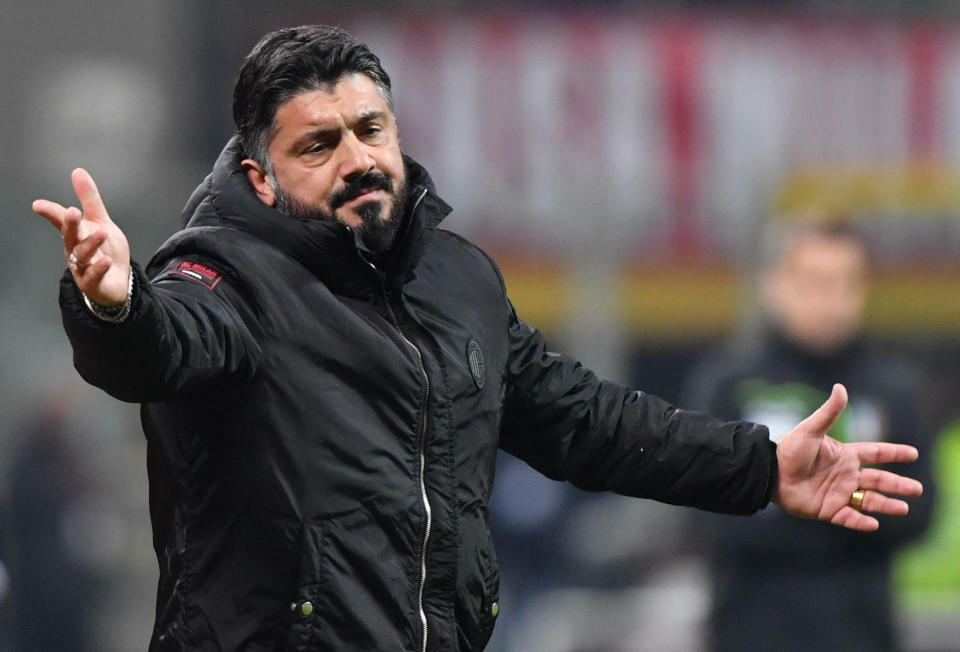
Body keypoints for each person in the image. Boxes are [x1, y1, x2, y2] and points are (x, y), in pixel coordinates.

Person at [33, 26, 923, 652]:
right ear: (261, 179)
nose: (358, 160)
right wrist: (115, 303)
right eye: (319, 145)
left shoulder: (457, 281)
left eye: (370, 129)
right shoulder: (225, 275)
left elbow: (588, 421)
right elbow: (161, 344)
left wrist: (762, 466)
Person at [681, 219, 935, 652]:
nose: (831, 299)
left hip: (862, 635)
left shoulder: (894, 387)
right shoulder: (729, 383)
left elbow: (917, 511)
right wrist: (828, 506)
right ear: (774, 284)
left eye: (846, 282)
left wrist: (799, 501)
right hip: (748, 633)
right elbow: (701, 514)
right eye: (815, 281)